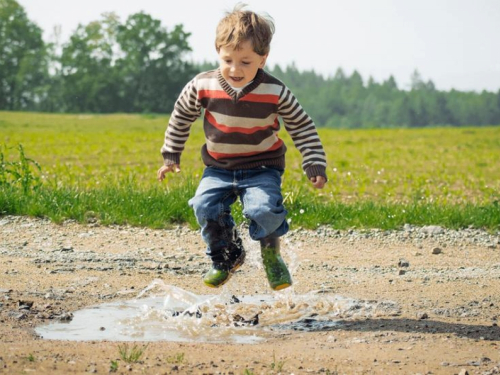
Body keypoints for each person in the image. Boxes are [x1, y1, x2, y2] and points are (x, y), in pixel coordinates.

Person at [157, 4, 327, 291]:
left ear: (263, 58)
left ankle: (271, 254)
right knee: (204, 206)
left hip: (262, 167)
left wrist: (314, 163)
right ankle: (227, 256)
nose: (235, 69)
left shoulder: (276, 91)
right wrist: (171, 154)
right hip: (218, 168)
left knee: (263, 209)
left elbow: (302, 126)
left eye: (246, 62)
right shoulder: (203, 85)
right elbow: (181, 115)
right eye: (228, 60)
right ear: (218, 51)